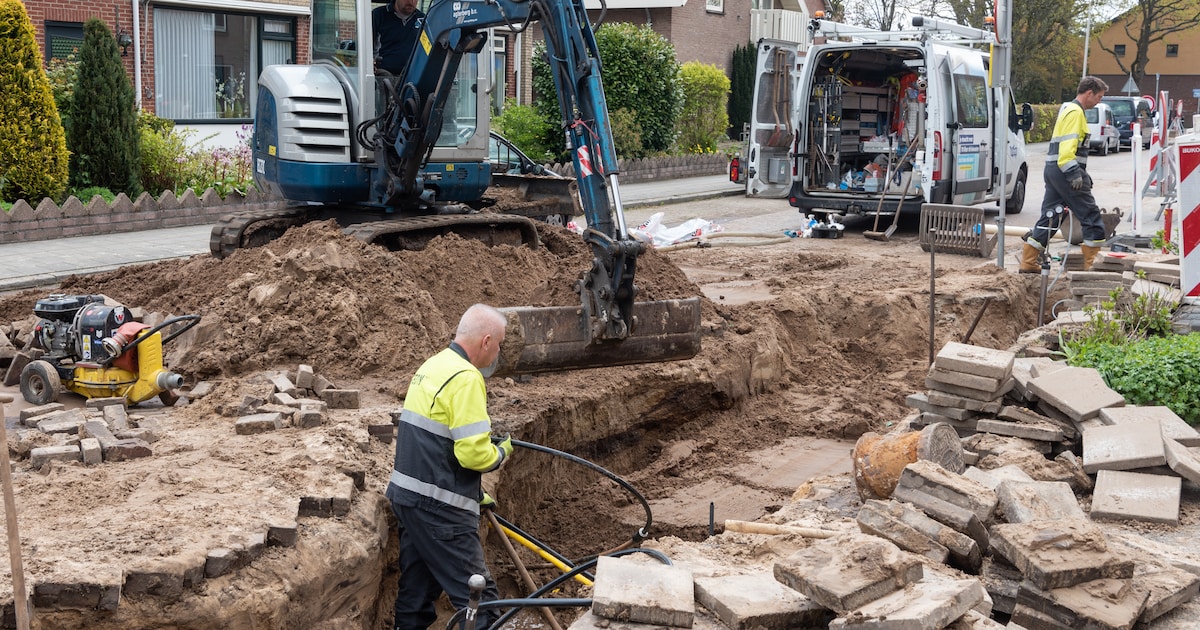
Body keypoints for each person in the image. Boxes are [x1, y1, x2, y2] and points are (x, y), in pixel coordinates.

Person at [387, 303, 513, 630]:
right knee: (482, 602)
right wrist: (500, 453)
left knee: (416, 596)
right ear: (486, 341)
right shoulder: (467, 377)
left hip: (409, 498)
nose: (498, 352)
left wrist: (472, 492)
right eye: (499, 344)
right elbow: (473, 455)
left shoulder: (433, 365)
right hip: (441, 510)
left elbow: (436, 441)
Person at [1020, 76, 1109, 273]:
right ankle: (1092, 263)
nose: (1099, 102)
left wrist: (1082, 173)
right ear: (1089, 93)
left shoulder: (1067, 109)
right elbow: (1067, 150)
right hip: (1065, 172)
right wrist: (1075, 174)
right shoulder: (1076, 113)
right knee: (1090, 214)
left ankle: (1028, 261)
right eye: (1099, 97)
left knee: (1052, 216)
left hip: (1054, 171)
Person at [373, 0, 425, 76]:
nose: (411, 2)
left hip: (412, 75)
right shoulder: (378, 15)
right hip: (383, 72)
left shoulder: (422, 19)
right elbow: (365, 47)